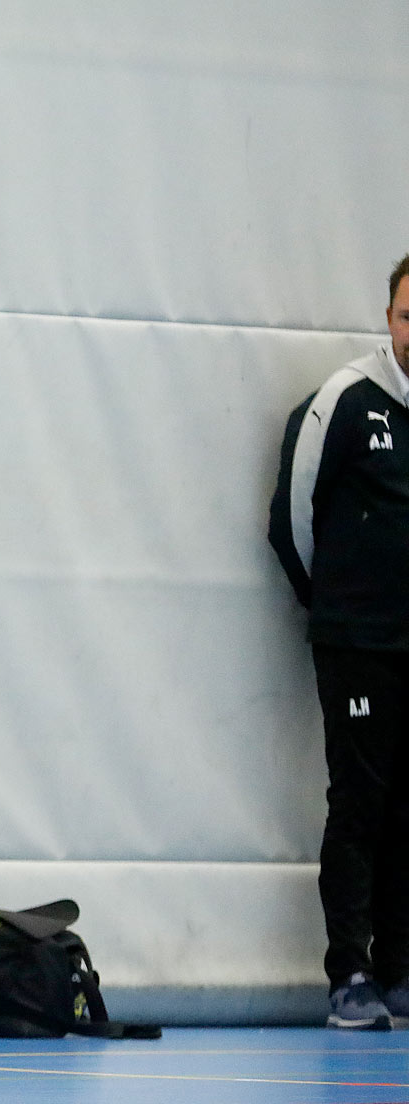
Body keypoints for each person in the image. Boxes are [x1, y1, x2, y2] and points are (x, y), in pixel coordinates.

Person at [269, 252, 409, 1032]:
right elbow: (290, 517)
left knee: (407, 810)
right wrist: (333, 611)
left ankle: (397, 969)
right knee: (359, 802)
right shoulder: (345, 402)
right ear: (388, 317)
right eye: (407, 315)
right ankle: (348, 975)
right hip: (357, 643)